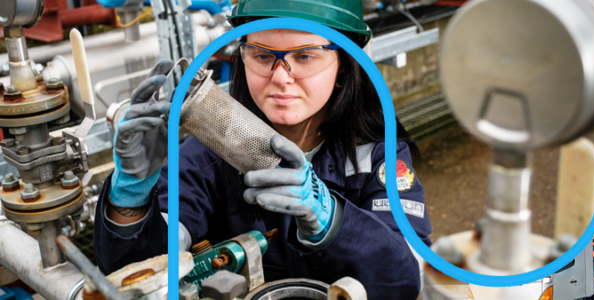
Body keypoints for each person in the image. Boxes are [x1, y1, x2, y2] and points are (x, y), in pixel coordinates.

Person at [92, 0, 432, 298]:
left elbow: (406, 278)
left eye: (305, 56)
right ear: (243, 58)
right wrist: (131, 199)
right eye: (263, 55)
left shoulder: (375, 157)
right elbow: (138, 279)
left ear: (343, 65)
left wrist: (334, 221)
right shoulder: (207, 155)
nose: (282, 77)